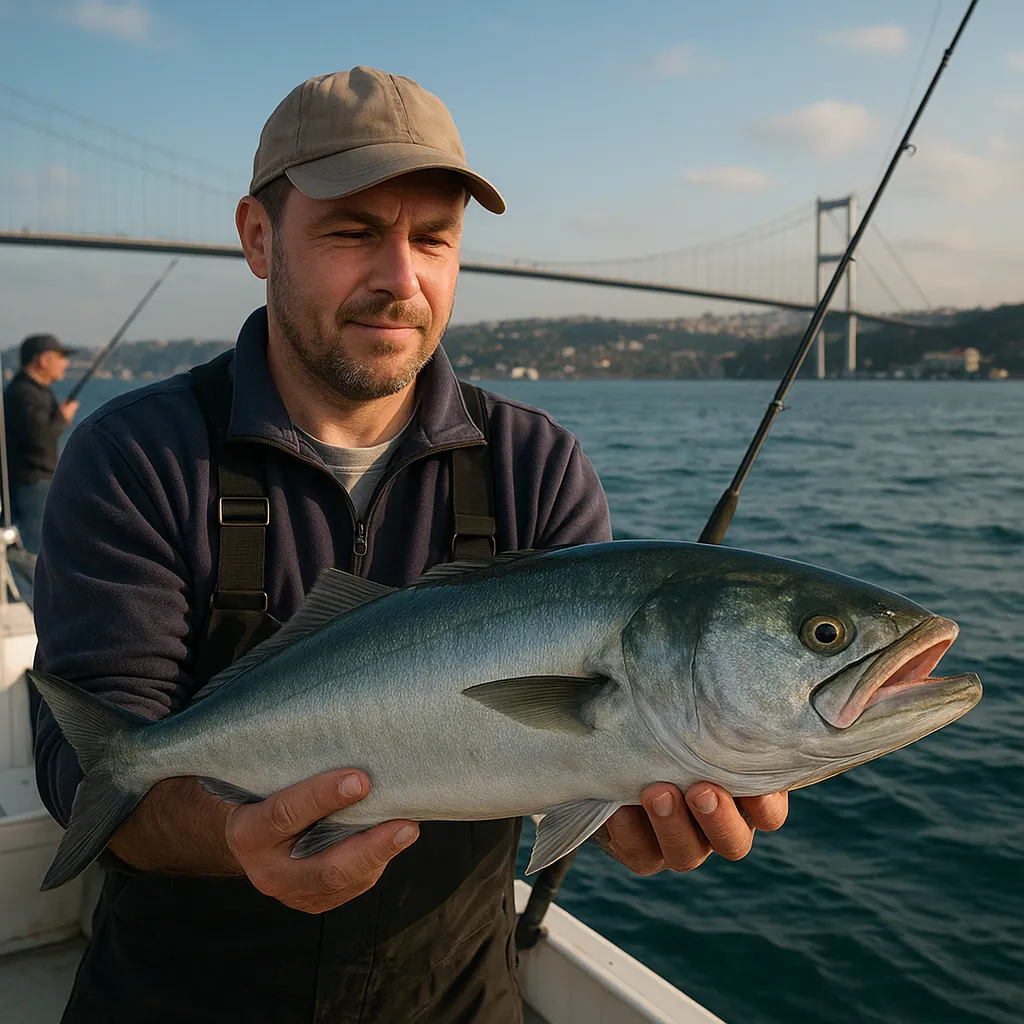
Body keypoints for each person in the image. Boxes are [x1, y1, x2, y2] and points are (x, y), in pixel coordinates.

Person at [33, 67, 789, 1023]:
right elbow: (90, 763)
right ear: (259, 239)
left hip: (455, 998)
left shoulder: (536, 463)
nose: (401, 279)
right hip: (181, 995)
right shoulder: (137, 455)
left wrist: (636, 808)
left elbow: (584, 758)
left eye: (434, 239)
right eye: (353, 232)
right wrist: (240, 834)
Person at [2, 333, 79, 554]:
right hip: (31, 485)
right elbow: (39, 439)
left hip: (35, 484)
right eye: (61, 356)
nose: (66, 363)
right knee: (38, 553)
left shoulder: (31, 391)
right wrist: (62, 418)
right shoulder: (24, 393)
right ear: (43, 360)